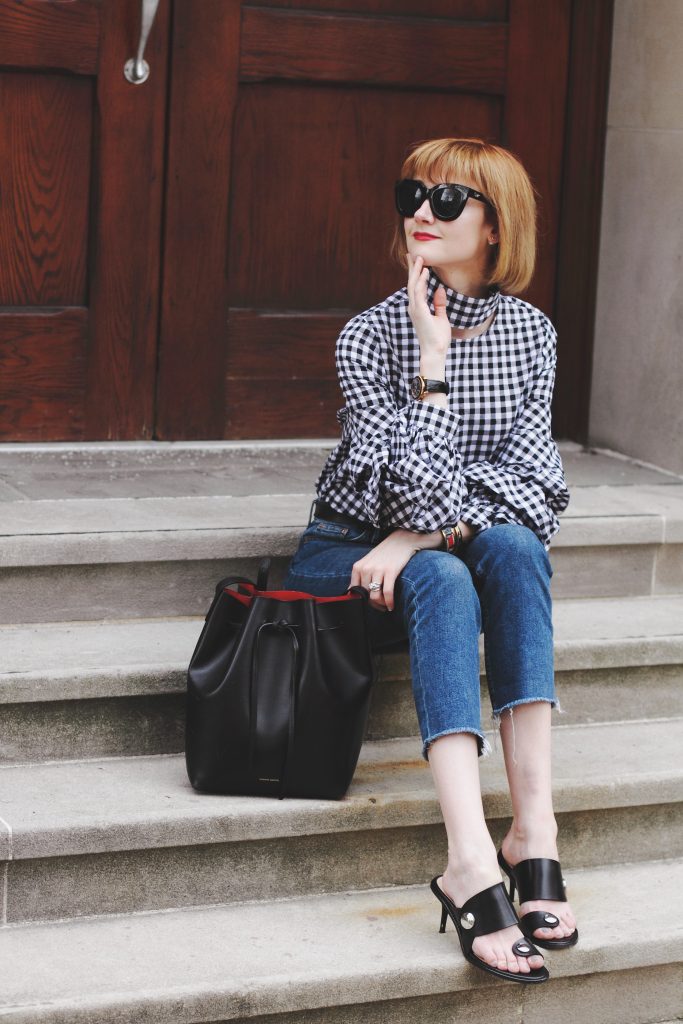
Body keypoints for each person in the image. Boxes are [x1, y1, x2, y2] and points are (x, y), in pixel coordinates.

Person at [283, 137, 578, 983]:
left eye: (447, 201)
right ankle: (470, 862)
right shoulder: (370, 336)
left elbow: (539, 493)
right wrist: (434, 365)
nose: (421, 211)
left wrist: (418, 533)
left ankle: (533, 831)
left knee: (515, 548)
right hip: (345, 547)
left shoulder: (530, 335)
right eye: (413, 192)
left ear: (494, 226)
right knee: (451, 572)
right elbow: (398, 496)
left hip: (405, 545)